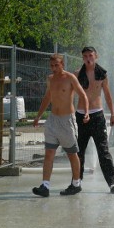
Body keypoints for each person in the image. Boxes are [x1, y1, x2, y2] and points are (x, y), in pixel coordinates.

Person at [32, 53, 89, 197]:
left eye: (56, 65)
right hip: (52, 120)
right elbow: (47, 98)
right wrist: (38, 116)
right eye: (51, 66)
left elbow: (83, 95)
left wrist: (86, 113)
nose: (54, 68)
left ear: (62, 65)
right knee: (49, 153)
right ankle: (45, 186)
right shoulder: (50, 79)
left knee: (71, 153)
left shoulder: (70, 78)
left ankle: (76, 183)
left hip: (66, 121)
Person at [75, 46, 114, 194]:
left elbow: (107, 95)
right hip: (81, 115)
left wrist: (113, 114)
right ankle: (77, 181)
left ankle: (112, 183)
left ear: (96, 56)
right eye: (85, 56)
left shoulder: (102, 74)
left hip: (97, 115)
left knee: (103, 151)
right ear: (83, 58)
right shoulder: (77, 74)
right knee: (79, 150)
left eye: (91, 55)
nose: (88, 58)